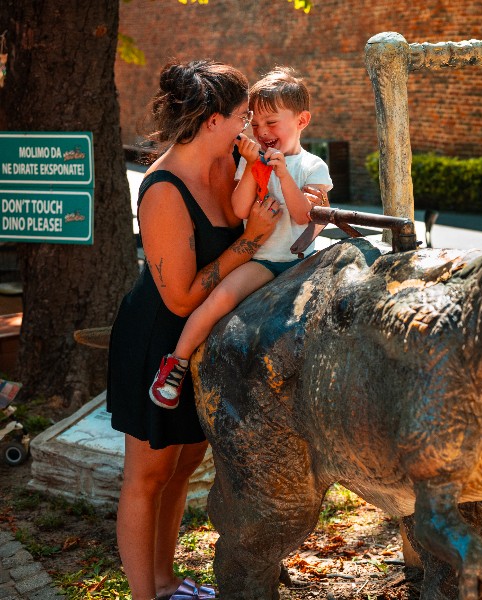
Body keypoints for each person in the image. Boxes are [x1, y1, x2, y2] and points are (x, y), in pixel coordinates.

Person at [106, 59, 282, 600]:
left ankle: (166, 580)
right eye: (239, 116)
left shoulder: (228, 160)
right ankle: (144, 594)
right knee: (148, 476)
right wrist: (250, 242)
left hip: (202, 344)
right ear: (210, 120)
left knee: (183, 466)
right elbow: (180, 296)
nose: (247, 127)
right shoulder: (163, 189)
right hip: (157, 343)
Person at [149, 66, 333, 408]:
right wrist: (253, 168)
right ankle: (176, 360)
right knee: (219, 299)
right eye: (256, 123)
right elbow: (239, 209)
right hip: (263, 259)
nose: (262, 132)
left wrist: (282, 172)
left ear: (302, 120)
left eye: (272, 122)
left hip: (300, 261)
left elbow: (303, 216)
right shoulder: (251, 162)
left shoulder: (312, 167)